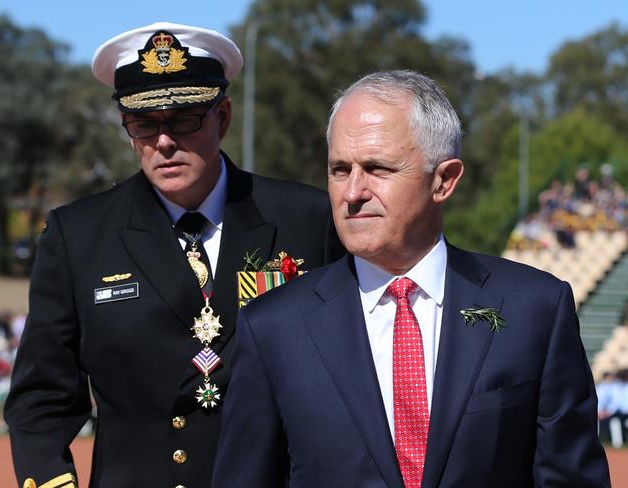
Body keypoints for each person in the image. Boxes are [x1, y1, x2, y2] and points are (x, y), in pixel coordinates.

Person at [212, 70, 610, 487]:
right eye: (339, 170)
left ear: (444, 180)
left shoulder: (535, 310)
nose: (352, 193)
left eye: (377, 168)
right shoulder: (274, 327)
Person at [4, 22, 344, 488]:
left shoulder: (308, 220)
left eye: (183, 119)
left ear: (222, 117)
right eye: (144, 124)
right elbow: (43, 396)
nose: (163, 142)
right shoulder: (78, 236)